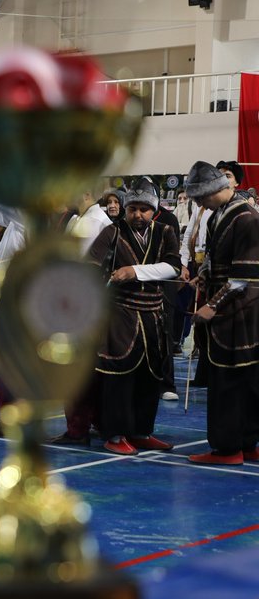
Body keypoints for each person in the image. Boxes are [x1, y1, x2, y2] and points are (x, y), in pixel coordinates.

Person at [87, 181, 179, 454]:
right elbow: (91, 267)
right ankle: (114, 435)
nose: (138, 215)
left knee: (149, 377)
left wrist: (133, 271)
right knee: (119, 376)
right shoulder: (112, 232)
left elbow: (174, 267)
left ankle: (141, 431)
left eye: (144, 209)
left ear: (154, 210)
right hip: (119, 315)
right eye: (133, 209)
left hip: (153, 316)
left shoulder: (165, 232)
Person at [185, 161, 259, 465]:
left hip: (240, 310)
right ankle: (245, 443)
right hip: (232, 307)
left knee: (231, 381)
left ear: (215, 189)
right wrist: (203, 273)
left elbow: (243, 278)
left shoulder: (247, 218)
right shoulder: (219, 216)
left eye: (201, 197)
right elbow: (217, 258)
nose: (199, 203)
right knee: (240, 379)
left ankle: (228, 449)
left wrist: (211, 305)